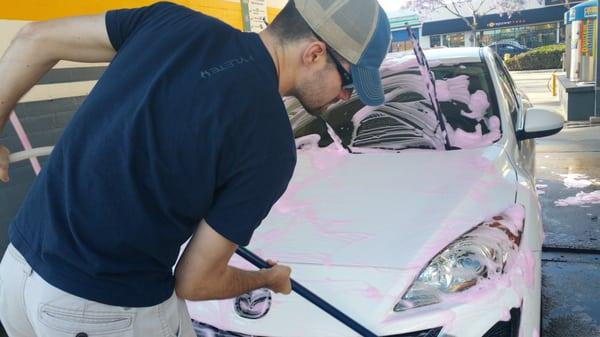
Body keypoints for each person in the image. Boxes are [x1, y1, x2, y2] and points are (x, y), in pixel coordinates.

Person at [0, 0, 390, 336]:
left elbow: (33, 38)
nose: (344, 96)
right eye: (350, 82)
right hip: (102, 308)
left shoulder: (170, 21)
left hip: (15, 273)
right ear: (315, 53)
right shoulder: (271, 144)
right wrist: (268, 279)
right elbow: (195, 281)